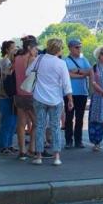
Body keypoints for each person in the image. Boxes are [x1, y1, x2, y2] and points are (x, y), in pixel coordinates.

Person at [29, 38, 73, 166]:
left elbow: (28, 73)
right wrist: (70, 99)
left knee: (40, 126)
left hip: (39, 97)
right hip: (55, 99)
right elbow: (66, 84)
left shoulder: (39, 59)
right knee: (55, 127)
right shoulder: (61, 63)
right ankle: (56, 157)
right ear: (59, 50)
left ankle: (38, 156)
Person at [14, 35, 39, 160]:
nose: (36, 51)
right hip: (30, 94)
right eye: (35, 48)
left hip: (19, 94)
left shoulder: (17, 58)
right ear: (30, 48)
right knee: (37, 123)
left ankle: (22, 151)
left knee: (21, 124)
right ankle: (32, 148)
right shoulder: (33, 59)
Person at [64, 39, 91, 149]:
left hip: (82, 92)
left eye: (80, 47)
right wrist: (81, 74)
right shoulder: (65, 61)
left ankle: (78, 140)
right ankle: (68, 141)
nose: (79, 49)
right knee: (69, 118)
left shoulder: (84, 59)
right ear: (70, 48)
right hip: (70, 93)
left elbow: (89, 72)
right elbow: (66, 75)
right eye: (77, 47)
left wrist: (77, 71)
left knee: (79, 118)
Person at [0, 40, 18, 155]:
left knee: (13, 121)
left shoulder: (11, 60)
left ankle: (9, 145)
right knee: (7, 121)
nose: (15, 50)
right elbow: (7, 74)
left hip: (10, 95)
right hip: (4, 95)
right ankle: (4, 146)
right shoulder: (5, 61)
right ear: (7, 50)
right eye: (13, 48)